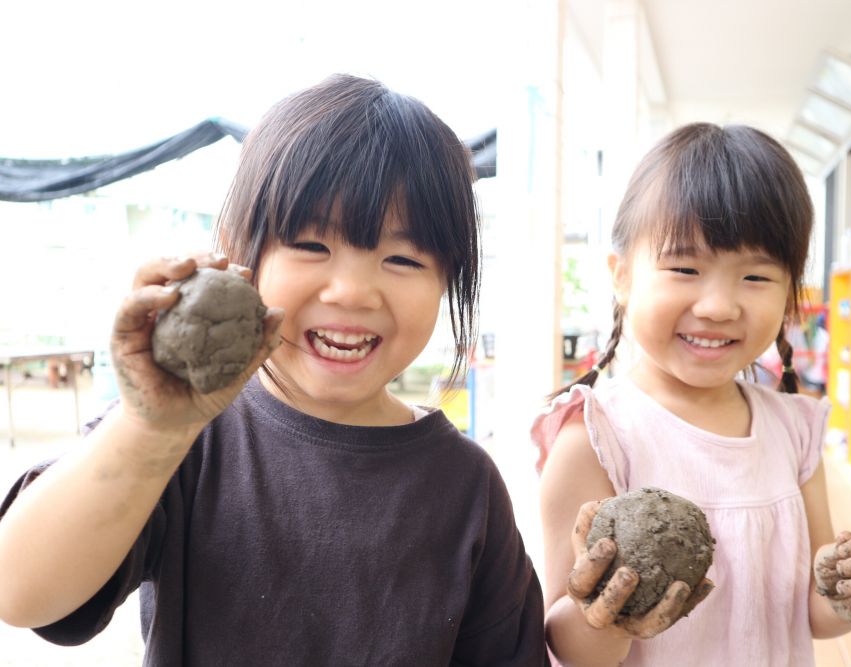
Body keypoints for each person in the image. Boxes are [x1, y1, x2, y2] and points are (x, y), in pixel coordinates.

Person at [0, 74, 547, 666]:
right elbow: (22, 593)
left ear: (448, 279)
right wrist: (149, 430)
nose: (353, 292)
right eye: (312, 246)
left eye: (402, 258)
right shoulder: (181, 437)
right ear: (239, 251)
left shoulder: (467, 485)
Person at [531, 123, 851, 666]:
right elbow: (562, 641)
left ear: (791, 294)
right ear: (622, 275)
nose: (719, 306)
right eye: (685, 268)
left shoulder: (794, 431)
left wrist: (846, 590)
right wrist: (601, 617)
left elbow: (810, 613)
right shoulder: (594, 436)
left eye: (755, 277)